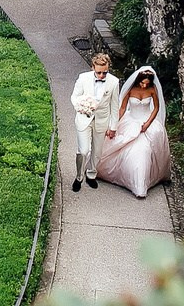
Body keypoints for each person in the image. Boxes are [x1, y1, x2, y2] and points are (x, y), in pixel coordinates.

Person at [95, 66, 171, 198]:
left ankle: (140, 185)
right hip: (131, 120)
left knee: (143, 150)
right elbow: (123, 108)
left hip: (146, 122)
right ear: (138, 81)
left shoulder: (152, 90)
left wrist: (147, 124)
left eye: (146, 84)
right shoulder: (130, 90)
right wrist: (114, 124)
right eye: (142, 83)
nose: (143, 86)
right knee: (123, 148)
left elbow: (156, 108)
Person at [69, 51, 121, 191]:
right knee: (84, 150)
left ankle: (91, 174)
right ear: (92, 67)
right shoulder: (83, 78)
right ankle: (79, 177)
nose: (102, 75)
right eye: (99, 73)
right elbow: (74, 96)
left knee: (97, 152)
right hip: (84, 119)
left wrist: (113, 126)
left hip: (102, 121)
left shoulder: (114, 82)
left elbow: (115, 106)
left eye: (105, 72)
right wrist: (81, 106)